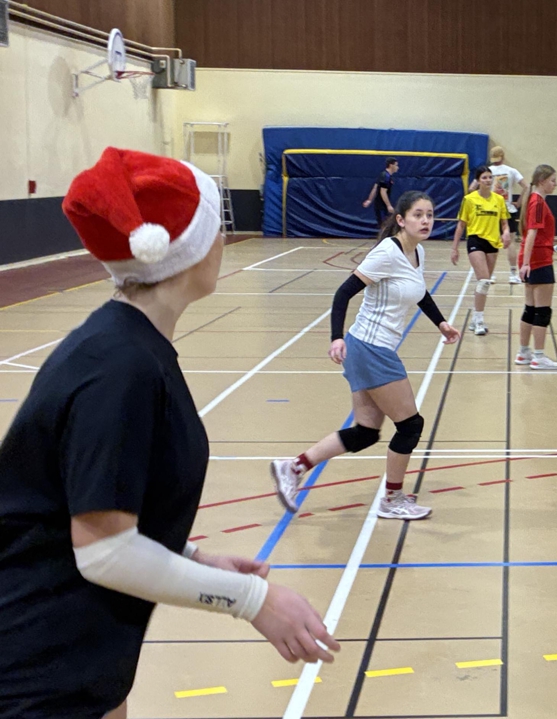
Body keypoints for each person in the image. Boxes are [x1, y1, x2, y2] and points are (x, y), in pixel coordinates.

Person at [0, 148, 339, 719]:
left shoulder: (132, 346)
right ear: (184, 247)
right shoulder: (118, 365)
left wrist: (193, 557)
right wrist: (253, 601)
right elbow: (104, 554)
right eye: (215, 226)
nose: (222, 239)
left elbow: (79, 513)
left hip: (81, 655)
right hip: (35, 665)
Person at [272, 191, 462, 521]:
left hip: (373, 348)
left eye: (430, 214)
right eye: (418, 215)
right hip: (369, 348)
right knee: (410, 426)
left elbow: (419, 292)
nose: (426, 221)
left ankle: (293, 467)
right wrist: (335, 338)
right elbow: (343, 293)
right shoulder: (387, 253)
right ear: (401, 220)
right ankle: (392, 498)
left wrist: (441, 322)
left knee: (365, 432)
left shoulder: (416, 252)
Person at [451, 166, 512, 337]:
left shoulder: (499, 199)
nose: (487, 180)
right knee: (484, 280)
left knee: (483, 283)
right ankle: (479, 320)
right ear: (478, 180)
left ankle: (474, 316)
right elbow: (461, 225)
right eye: (484, 177)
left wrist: (506, 233)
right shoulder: (469, 200)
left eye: (490, 177)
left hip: (493, 243)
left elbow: (505, 223)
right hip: (475, 240)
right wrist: (454, 248)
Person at [517, 165, 557, 370]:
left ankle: (523, 353)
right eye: (553, 180)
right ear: (542, 180)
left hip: (533, 258)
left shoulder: (535, 201)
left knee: (531, 309)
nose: (555, 184)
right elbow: (532, 234)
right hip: (539, 259)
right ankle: (538, 356)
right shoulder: (537, 202)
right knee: (542, 311)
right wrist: (527, 263)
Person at [477, 147, 528, 285]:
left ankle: (491, 274)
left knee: (491, 241)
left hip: (491, 210)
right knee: (510, 242)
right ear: (503, 157)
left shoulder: (487, 172)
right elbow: (527, 186)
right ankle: (512, 274)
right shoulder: (512, 171)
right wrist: (519, 201)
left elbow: (472, 188)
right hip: (508, 209)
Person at [362, 157, 398, 231]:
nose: (398, 167)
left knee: (386, 225)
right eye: (396, 165)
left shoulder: (385, 175)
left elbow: (375, 187)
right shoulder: (385, 176)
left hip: (381, 206)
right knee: (384, 226)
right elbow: (382, 191)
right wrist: (388, 206)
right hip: (381, 206)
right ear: (391, 165)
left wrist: (369, 200)